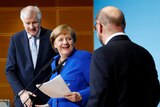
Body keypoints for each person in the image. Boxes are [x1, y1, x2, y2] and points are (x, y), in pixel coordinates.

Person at [87, 6, 160, 107]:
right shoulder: (145, 54)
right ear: (124, 24)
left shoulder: (101, 55)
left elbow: (99, 99)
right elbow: (155, 95)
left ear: (99, 27)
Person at [5, 5, 56, 107]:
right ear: (23, 23)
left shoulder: (51, 36)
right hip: (23, 99)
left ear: (40, 20)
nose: (31, 27)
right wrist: (21, 92)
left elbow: (58, 65)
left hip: (47, 98)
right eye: (27, 23)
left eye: (34, 22)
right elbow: (9, 70)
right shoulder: (15, 39)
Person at [35, 24, 91, 107]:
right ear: (54, 44)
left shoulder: (83, 57)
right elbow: (58, 90)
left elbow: (98, 86)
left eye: (69, 39)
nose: (65, 42)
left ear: (73, 42)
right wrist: (48, 104)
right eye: (60, 39)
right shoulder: (54, 62)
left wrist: (81, 95)